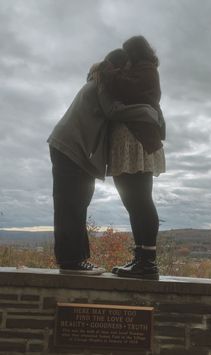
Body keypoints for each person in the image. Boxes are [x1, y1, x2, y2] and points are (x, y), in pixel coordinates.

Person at [47, 48, 162, 275]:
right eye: (125, 70)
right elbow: (113, 111)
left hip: (69, 147)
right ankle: (72, 262)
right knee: (72, 203)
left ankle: (74, 261)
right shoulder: (102, 81)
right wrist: (148, 113)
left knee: (74, 202)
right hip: (71, 147)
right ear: (117, 68)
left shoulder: (97, 79)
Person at [100, 36, 166, 280]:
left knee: (140, 201)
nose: (124, 61)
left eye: (127, 55)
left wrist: (107, 69)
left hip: (136, 143)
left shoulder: (147, 70)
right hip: (128, 144)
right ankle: (140, 258)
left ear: (135, 54)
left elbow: (125, 88)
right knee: (133, 202)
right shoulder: (139, 71)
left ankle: (148, 262)